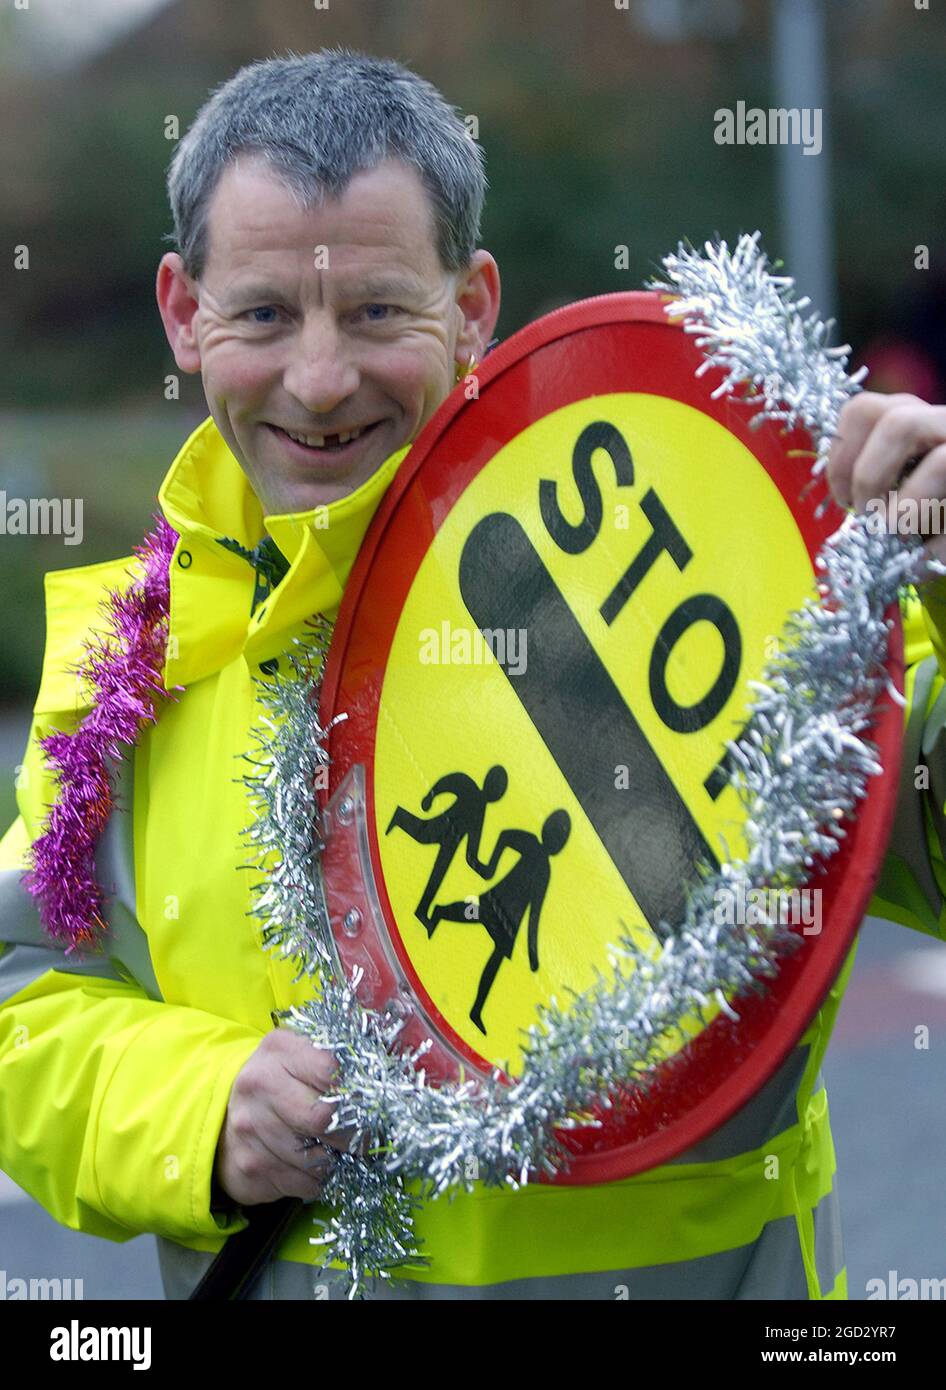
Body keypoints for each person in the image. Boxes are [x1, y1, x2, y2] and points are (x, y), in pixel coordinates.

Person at [1, 47, 945, 1302]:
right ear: (184, 311)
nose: (322, 379)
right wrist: (196, 1106)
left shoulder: (701, 561)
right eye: (265, 314)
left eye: (380, 311)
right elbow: (28, 1005)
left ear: (475, 304)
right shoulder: (125, 663)